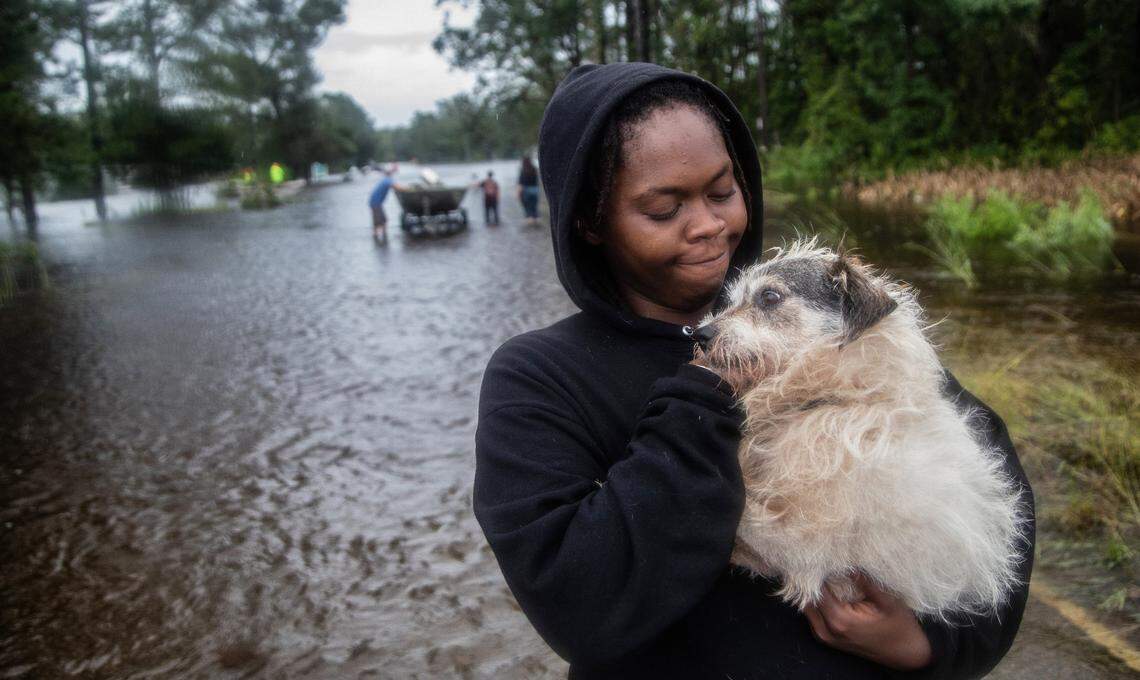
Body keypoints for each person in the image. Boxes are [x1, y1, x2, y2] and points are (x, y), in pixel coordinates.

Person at [474, 63, 1035, 679]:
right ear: (589, 220)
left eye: (722, 191)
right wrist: (701, 397)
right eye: (665, 209)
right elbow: (576, 605)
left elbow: (995, 508)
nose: (711, 225)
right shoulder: (540, 378)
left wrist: (927, 648)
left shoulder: (830, 328)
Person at [368, 163, 401, 242]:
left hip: (376, 202)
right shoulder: (387, 180)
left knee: (384, 220)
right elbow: (397, 187)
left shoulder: (386, 179)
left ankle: (384, 235)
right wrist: (407, 189)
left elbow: (395, 186)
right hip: (375, 202)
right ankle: (376, 236)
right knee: (378, 221)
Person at [517, 155, 541, 225]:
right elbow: (537, 180)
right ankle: (536, 218)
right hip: (535, 189)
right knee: (534, 205)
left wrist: (518, 193)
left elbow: (521, 182)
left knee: (527, 206)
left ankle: (530, 219)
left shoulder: (523, 170)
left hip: (526, 190)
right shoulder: (534, 169)